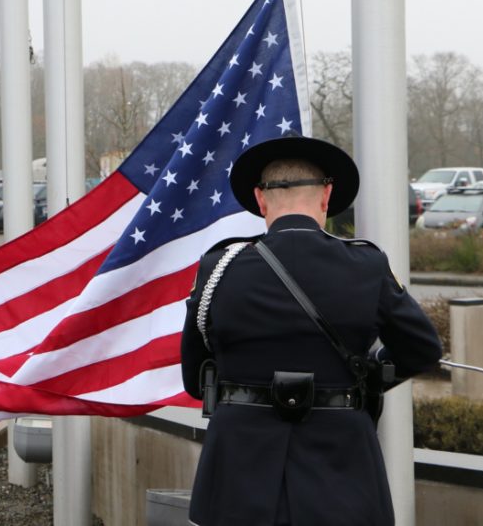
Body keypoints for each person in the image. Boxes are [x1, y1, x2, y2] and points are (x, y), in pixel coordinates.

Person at [180, 133, 443, 525]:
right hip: (341, 470)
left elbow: (194, 377)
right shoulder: (367, 266)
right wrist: (369, 374)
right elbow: (422, 348)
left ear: (260, 199)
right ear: (326, 197)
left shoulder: (219, 268)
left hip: (237, 471)